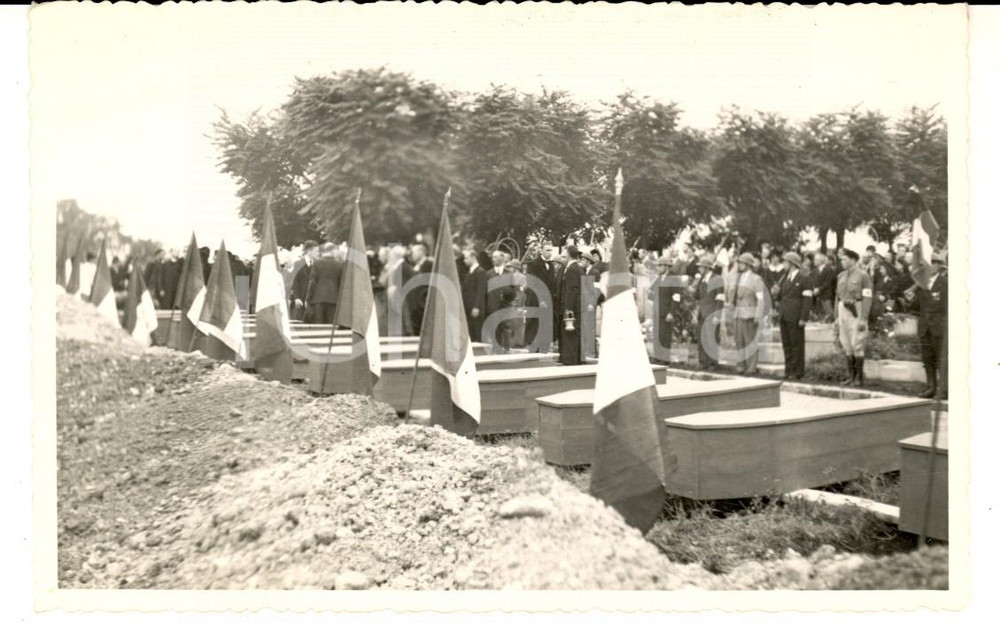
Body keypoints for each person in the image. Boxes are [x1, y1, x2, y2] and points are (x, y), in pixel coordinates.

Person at [908, 253, 948, 399]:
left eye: (932, 263)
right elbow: (916, 307)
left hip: (939, 326)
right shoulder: (921, 284)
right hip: (924, 327)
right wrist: (910, 299)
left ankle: (945, 389)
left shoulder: (945, 283)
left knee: (941, 358)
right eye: (925, 264)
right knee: (927, 358)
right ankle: (931, 387)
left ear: (938, 265)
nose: (928, 266)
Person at [835, 248, 874, 387]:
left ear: (853, 260)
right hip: (843, 309)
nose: (842, 262)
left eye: (845, 259)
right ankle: (850, 376)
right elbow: (837, 296)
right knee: (846, 343)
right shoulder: (841, 275)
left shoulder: (863, 275)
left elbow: (867, 297)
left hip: (856, 308)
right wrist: (836, 316)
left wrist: (864, 318)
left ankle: (859, 378)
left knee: (857, 343)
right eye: (841, 259)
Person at [773, 251, 812, 380]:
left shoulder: (804, 278)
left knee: (797, 345)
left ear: (792, 263)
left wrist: (803, 318)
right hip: (784, 316)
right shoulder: (785, 278)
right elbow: (781, 297)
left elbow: (807, 300)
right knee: (787, 345)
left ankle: (797, 371)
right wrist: (776, 293)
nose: (783, 264)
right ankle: (788, 370)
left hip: (796, 317)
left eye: (785, 262)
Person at [729, 252, 766, 375]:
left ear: (748, 265)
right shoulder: (739, 278)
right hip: (738, 313)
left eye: (742, 263)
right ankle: (741, 366)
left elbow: (760, 299)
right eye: (739, 263)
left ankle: (751, 367)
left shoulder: (756, 279)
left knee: (750, 341)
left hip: (750, 314)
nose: (739, 265)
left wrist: (757, 315)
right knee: (739, 341)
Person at [647, 255, 683, 364]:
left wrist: (671, 312)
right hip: (657, 312)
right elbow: (651, 293)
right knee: (657, 335)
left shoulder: (674, 278)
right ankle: (657, 357)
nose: (658, 268)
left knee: (665, 336)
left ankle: (665, 359)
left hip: (666, 313)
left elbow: (677, 297)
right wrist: (650, 294)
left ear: (667, 266)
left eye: (660, 265)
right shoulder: (659, 278)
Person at [692, 252, 724, 371]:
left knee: (712, 339)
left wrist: (717, 315)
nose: (699, 269)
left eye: (701, 267)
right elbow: (696, 296)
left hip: (712, 314)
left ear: (706, 268)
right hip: (702, 314)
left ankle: (712, 364)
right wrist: (694, 285)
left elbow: (720, 298)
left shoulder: (717, 279)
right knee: (702, 339)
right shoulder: (702, 280)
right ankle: (702, 362)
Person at [558, 246, 588, 365]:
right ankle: (578, 359)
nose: (563, 255)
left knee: (569, 333)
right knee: (576, 333)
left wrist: (568, 309)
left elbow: (571, 290)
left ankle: (570, 359)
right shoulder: (578, 268)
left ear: (569, 254)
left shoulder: (571, 269)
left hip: (572, 308)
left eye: (564, 253)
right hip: (578, 306)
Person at [525, 243, 559, 351]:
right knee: (535, 324)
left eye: (551, 250)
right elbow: (533, 284)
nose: (550, 253)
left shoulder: (551, 265)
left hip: (548, 301)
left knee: (545, 325)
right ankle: (533, 348)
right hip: (536, 300)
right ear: (541, 251)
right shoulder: (533, 264)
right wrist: (541, 300)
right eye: (547, 250)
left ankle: (544, 348)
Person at [485, 250, 516, 353]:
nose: (493, 259)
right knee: (494, 327)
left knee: (506, 326)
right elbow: (485, 291)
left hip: (506, 305)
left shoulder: (509, 274)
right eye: (493, 257)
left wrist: (508, 296)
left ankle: (506, 349)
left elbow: (514, 291)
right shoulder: (488, 274)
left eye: (495, 257)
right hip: (493, 305)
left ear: (502, 259)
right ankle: (496, 349)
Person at [305, 242, 344, 325]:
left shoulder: (317, 263)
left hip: (318, 299)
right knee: (330, 326)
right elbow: (341, 284)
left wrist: (308, 299)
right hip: (334, 300)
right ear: (333, 250)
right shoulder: (340, 265)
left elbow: (312, 282)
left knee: (319, 326)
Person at [404, 242, 433, 335]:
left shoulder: (429, 265)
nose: (412, 254)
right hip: (416, 306)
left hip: (423, 305)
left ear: (421, 252)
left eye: (414, 252)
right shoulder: (415, 266)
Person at [461, 249, 487, 343]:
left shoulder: (480, 272)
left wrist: (476, 307)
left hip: (475, 309)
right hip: (468, 307)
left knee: (477, 332)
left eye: (466, 258)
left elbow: (480, 291)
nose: (464, 260)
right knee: (470, 333)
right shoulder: (469, 272)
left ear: (473, 257)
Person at [291, 241, 318, 321]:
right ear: (309, 251)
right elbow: (295, 281)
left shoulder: (317, 264)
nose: (317, 253)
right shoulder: (298, 264)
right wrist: (296, 297)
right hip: (301, 299)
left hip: (313, 299)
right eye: (316, 251)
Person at [812, 252, 837, 321]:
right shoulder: (814, 271)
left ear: (820, 261)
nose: (814, 261)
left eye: (815, 259)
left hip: (826, 295)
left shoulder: (828, 270)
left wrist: (819, 289)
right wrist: (814, 289)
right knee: (819, 314)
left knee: (828, 313)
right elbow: (812, 281)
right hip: (817, 295)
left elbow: (827, 282)